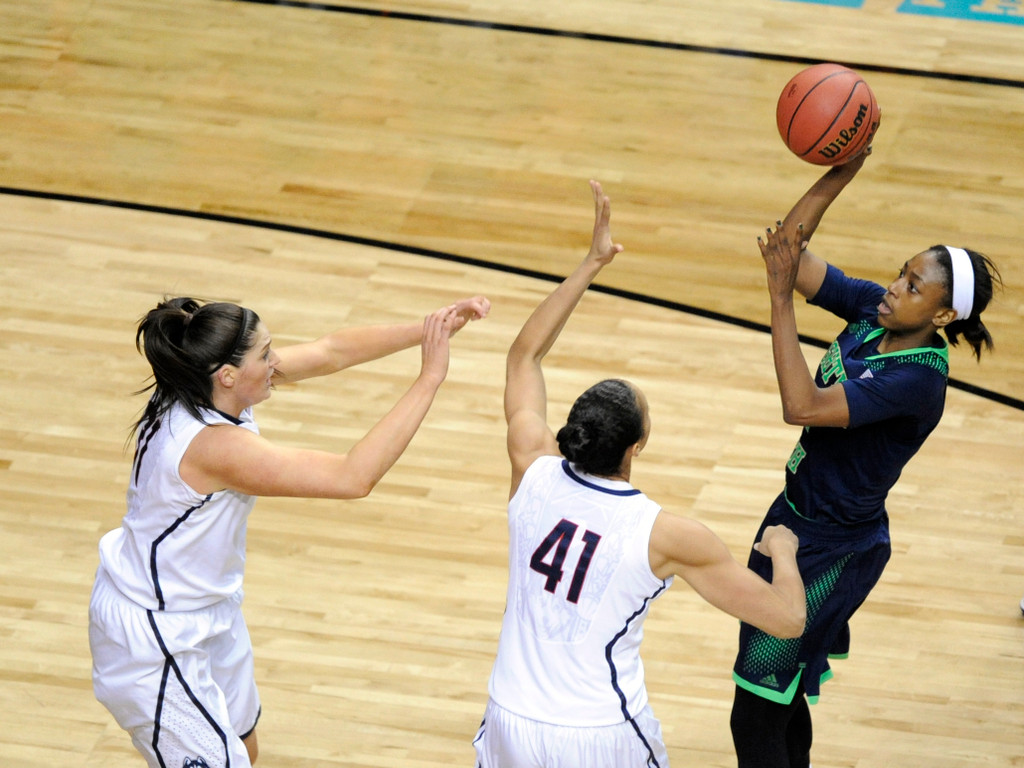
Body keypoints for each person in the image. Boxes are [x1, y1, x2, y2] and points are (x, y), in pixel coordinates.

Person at [472, 180, 807, 768]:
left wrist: (591, 263)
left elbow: (523, 356)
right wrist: (783, 551)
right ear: (638, 445)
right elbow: (787, 619)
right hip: (600, 732)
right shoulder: (668, 535)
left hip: (509, 718)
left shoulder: (531, 465)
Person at [88, 292, 490, 768]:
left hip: (207, 606)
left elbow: (330, 352)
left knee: (244, 746)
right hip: (155, 633)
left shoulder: (201, 382)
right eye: (266, 354)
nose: (277, 362)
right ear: (229, 376)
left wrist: (432, 328)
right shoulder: (215, 448)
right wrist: (430, 377)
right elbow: (351, 478)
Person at [730, 147, 1002, 768]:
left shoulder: (918, 377)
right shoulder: (874, 314)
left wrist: (778, 304)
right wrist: (840, 172)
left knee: (755, 712)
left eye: (912, 287)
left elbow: (801, 405)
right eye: (900, 273)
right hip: (794, 517)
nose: (894, 288)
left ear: (942, 314)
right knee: (780, 697)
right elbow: (788, 254)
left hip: (831, 548)